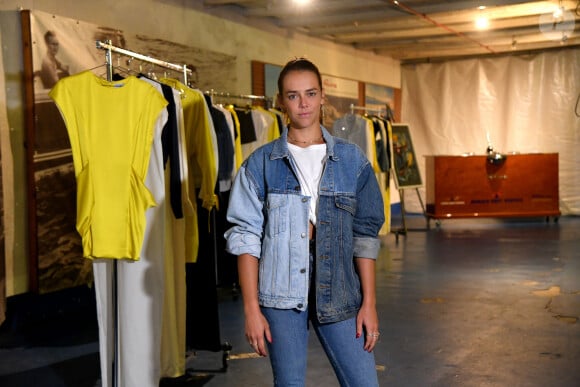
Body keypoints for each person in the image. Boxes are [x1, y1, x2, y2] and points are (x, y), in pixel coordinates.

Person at [225, 58, 385, 386]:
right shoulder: (260, 164)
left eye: (310, 93)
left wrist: (369, 303)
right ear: (281, 101)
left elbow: (365, 234)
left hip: (340, 291)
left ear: (323, 96)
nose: (303, 104)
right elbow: (245, 237)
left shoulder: (352, 160)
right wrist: (251, 310)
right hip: (280, 294)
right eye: (293, 95)